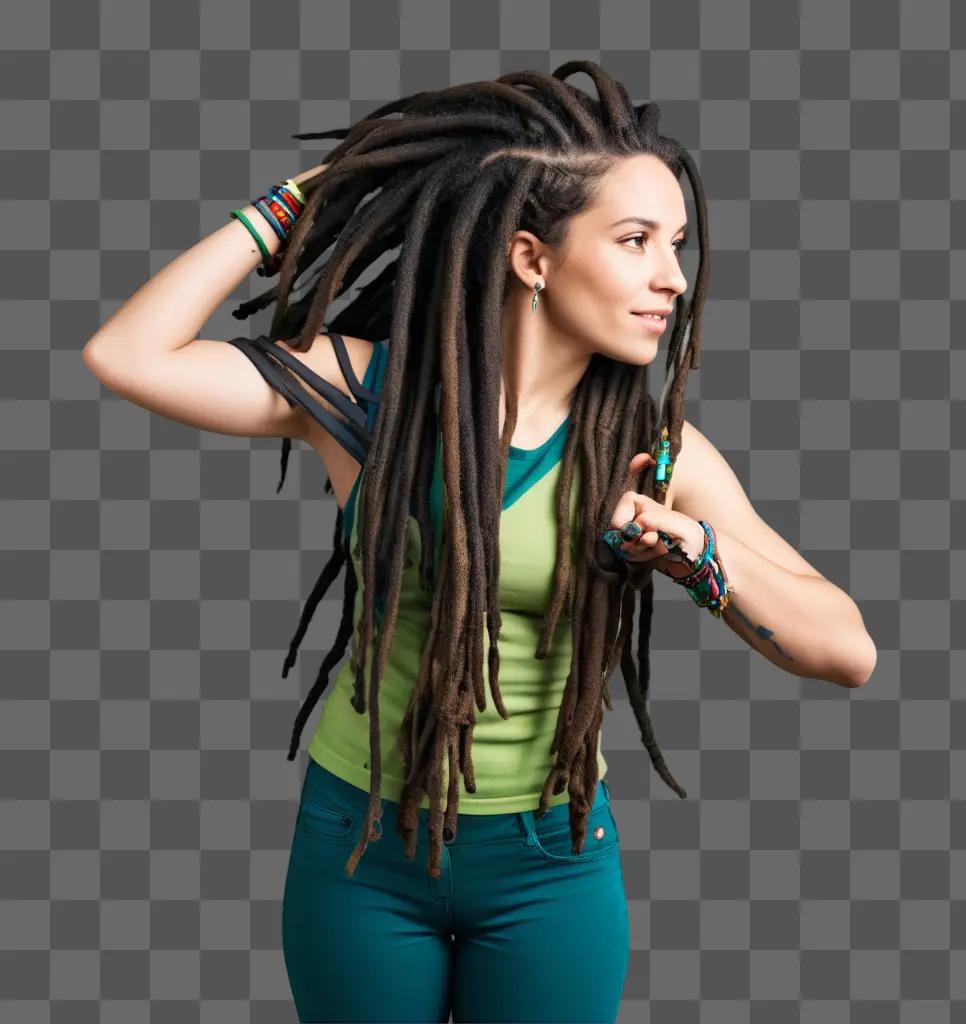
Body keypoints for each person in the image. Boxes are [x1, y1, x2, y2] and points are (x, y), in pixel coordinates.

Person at [83, 59, 875, 1023]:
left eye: (676, 243)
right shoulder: (362, 397)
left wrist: (699, 554)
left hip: (551, 865)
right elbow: (126, 355)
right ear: (533, 258)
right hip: (361, 850)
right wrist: (295, 206)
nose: (672, 276)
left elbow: (848, 651)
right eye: (635, 241)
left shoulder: (650, 453)